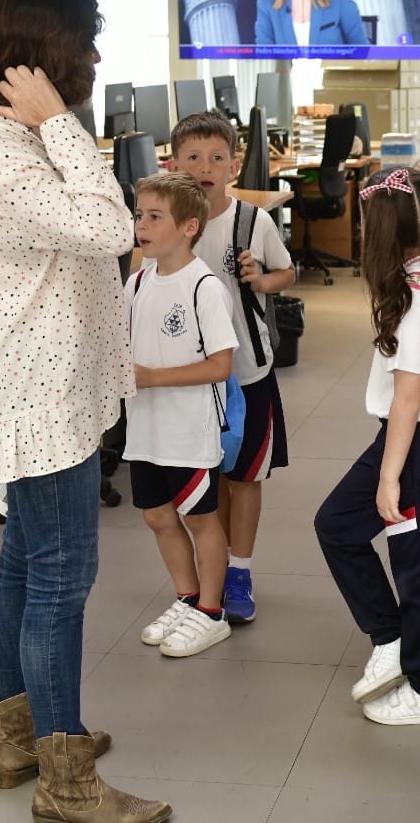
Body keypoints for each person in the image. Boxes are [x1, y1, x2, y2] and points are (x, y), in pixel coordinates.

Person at [0, 0, 169, 822]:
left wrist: (57, 129)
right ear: (43, 56)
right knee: (59, 578)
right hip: (38, 401)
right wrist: (63, 122)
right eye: (82, 43)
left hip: (56, 388)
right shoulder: (7, 156)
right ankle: (67, 780)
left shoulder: (28, 148)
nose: (94, 57)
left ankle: (25, 737)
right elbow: (117, 229)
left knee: (25, 565)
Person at [314, 164, 420, 726]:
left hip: (416, 444)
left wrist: (390, 477)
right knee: (345, 526)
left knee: (417, 564)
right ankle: (394, 639)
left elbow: (407, 399)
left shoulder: (413, 300)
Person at [169, 112, 296, 624]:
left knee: (244, 477)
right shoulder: (167, 220)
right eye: (193, 157)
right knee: (205, 479)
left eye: (216, 158)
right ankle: (211, 575)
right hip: (189, 379)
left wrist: (262, 281)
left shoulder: (252, 221)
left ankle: (238, 572)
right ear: (173, 163)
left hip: (246, 372)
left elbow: (287, 271)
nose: (205, 167)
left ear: (233, 166)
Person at [125, 171, 239, 659]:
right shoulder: (136, 281)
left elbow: (221, 365)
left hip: (188, 430)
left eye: (155, 217)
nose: (142, 226)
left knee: (200, 517)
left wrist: (152, 377)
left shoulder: (204, 287)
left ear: (190, 226)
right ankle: (187, 598)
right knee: (157, 516)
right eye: (138, 216)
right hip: (145, 426)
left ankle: (212, 612)